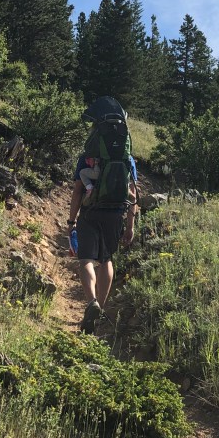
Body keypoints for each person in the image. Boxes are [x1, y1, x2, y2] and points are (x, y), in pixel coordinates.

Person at [68, 138, 138, 335]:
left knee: (86, 260)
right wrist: (130, 226)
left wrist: (71, 221)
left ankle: (92, 302)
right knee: (106, 260)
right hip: (115, 215)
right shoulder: (127, 159)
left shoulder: (87, 156)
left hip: (90, 212)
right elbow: (133, 196)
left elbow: (77, 191)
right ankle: (100, 307)